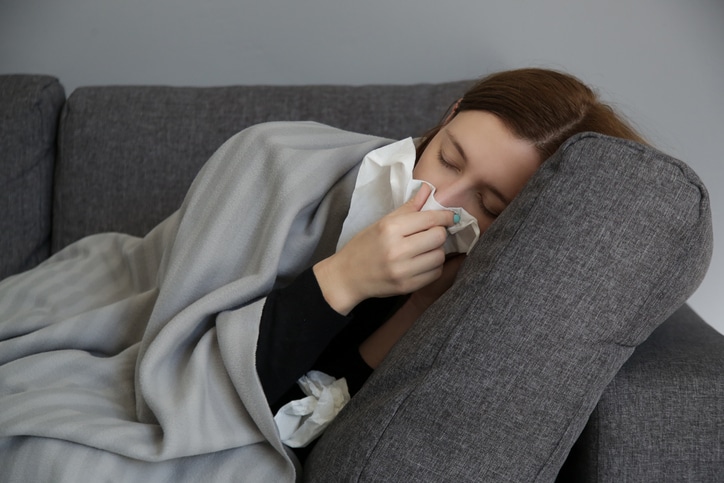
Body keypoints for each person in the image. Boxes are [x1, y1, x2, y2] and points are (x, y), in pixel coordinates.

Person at [256, 68, 647, 425]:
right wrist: (344, 277)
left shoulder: (481, 287)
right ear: (450, 116)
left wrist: (418, 308)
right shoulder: (281, 160)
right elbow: (209, 393)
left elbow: (290, 423)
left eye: (490, 205)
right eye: (447, 159)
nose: (438, 198)